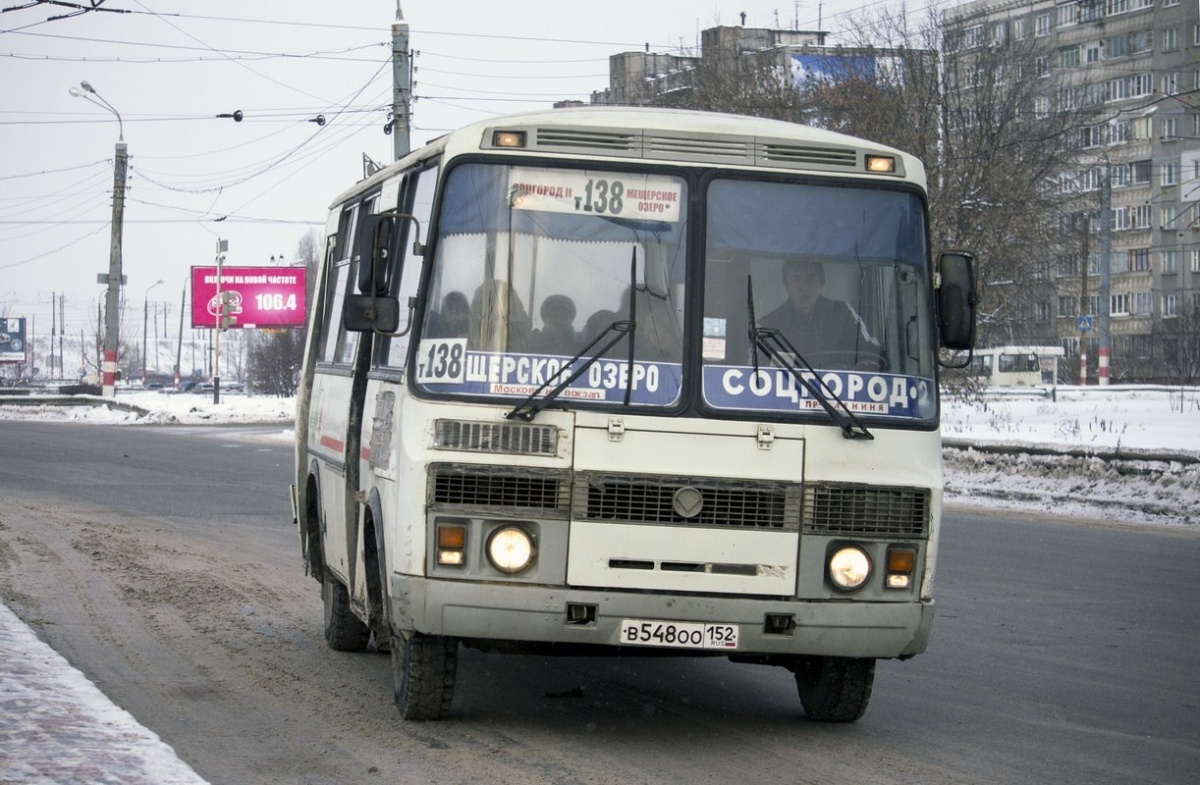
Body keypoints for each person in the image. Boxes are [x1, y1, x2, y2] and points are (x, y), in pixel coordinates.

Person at [758, 259, 880, 369]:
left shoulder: (843, 315)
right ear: (786, 286)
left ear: (821, 284)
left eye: (811, 279)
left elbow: (869, 353)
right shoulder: (770, 325)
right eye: (796, 279)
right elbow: (759, 369)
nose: (804, 287)